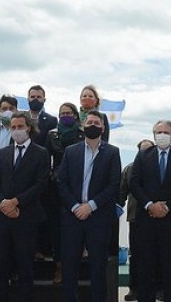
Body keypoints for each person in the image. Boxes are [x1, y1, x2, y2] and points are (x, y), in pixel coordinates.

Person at [56, 111, 122, 302]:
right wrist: (76, 206)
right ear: (83, 126)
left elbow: (113, 184)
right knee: (70, 267)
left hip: (98, 217)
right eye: (89, 121)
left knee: (97, 268)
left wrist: (90, 206)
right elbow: (62, 182)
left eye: (96, 122)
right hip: (72, 216)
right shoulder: (71, 151)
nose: (92, 124)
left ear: (102, 127)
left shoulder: (112, 152)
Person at [0, 110, 50, 302]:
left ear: (28, 128)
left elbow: (41, 184)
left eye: (20, 127)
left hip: (26, 217)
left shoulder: (40, 153)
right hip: (2, 217)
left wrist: (16, 202)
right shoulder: (2, 153)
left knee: (25, 268)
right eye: (13, 127)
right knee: (1, 268)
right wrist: (3, 203)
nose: (16, 130)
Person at [129, 120, 171, 302]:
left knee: (170, 269)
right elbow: (134, 183)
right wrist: (150, 205)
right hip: (146, 220)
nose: (162, 135)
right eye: (159, 131)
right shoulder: (142, 156)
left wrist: (168, 206)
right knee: (146, 268)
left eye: (166, 132)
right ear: (154, 134)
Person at [47, 102, 85, 284]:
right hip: (56, 185)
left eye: (69, 113)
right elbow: (50, 156)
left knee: (75, 228)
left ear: (76, 116)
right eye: (62, 113)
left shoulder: (83, 134)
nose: (65, 116)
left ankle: (74, 267)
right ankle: (59, 266)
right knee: (56, 228)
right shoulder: (52, 134)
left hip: (76, 185)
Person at [120, 139, 155, 302]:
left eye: (150, 149)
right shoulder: (130, 169)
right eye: (143, 150)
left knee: (157, 255)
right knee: (136, 256)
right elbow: (121, 192)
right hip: (135, 218)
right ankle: (134, 288)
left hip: (156, 219)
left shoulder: (159, 167)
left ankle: (159, 288)